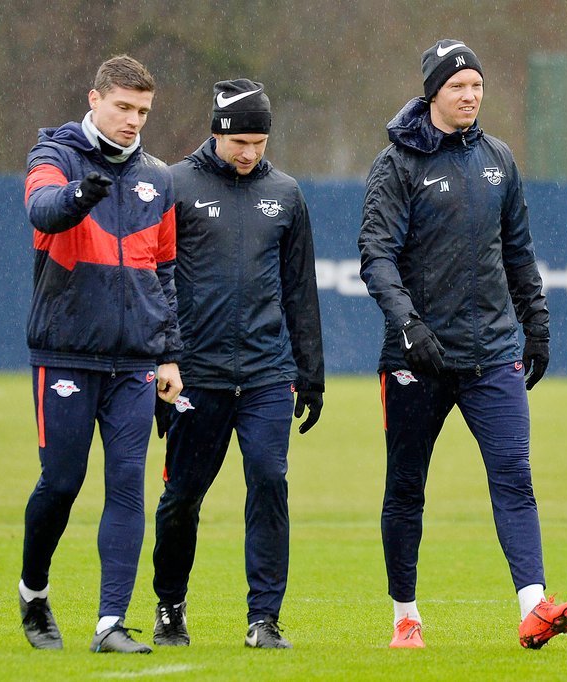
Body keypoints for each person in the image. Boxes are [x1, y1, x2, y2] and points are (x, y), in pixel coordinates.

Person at [358, 39, 567, 650]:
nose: (471, 95)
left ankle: (534, 608)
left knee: (514, 476)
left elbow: (517, 252)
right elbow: (377, 257)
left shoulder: (499, 159)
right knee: (406, 486)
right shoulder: (397, 164)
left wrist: (535, 326)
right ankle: (405, 616)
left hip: (493, 353)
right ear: (434, 91)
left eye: (477, 86)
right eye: (459, 86)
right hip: (416, 359)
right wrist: (410, 326)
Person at [150, 79, 325, 650]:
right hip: (196, 375)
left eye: (259, 141)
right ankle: (170, 605)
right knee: (183, 496)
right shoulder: (175, 184)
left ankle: (264, 619)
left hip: (268, 373)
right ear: (217, 132)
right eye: (240, 141)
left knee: (270, 483)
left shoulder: (288, 194)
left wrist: (312, 373)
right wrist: (161, 360)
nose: (250, 153)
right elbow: (156, 280)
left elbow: (300, 290)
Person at [20, 54, 183, 654]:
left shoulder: (158, 179)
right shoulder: (53, 157)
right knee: (61, 483)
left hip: (135, 362)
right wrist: (81, 193)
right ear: (94, 99)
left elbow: (165, 273)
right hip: (65, 352)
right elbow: (43, 211)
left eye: (142, 111)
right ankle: (34, 591)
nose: (133, 120)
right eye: (123, 107)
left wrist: (168, 355)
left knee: (126, 488)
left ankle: (109, 623)